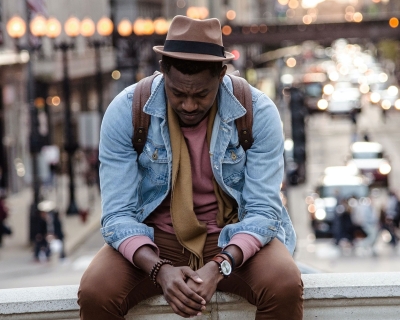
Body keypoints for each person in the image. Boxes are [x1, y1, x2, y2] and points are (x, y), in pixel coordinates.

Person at [78, 15, 303, 320]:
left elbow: (264, 211)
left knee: (284, 283)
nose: (188, 105)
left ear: (221, 75)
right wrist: (159, 270)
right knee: (96, 292)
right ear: (163, 71)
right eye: (178, 93)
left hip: (232, 234)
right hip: (154, 238)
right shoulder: (126, 111)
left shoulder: (257, 112)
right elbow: (117, 215)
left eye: (201, 95)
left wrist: (221, 264)